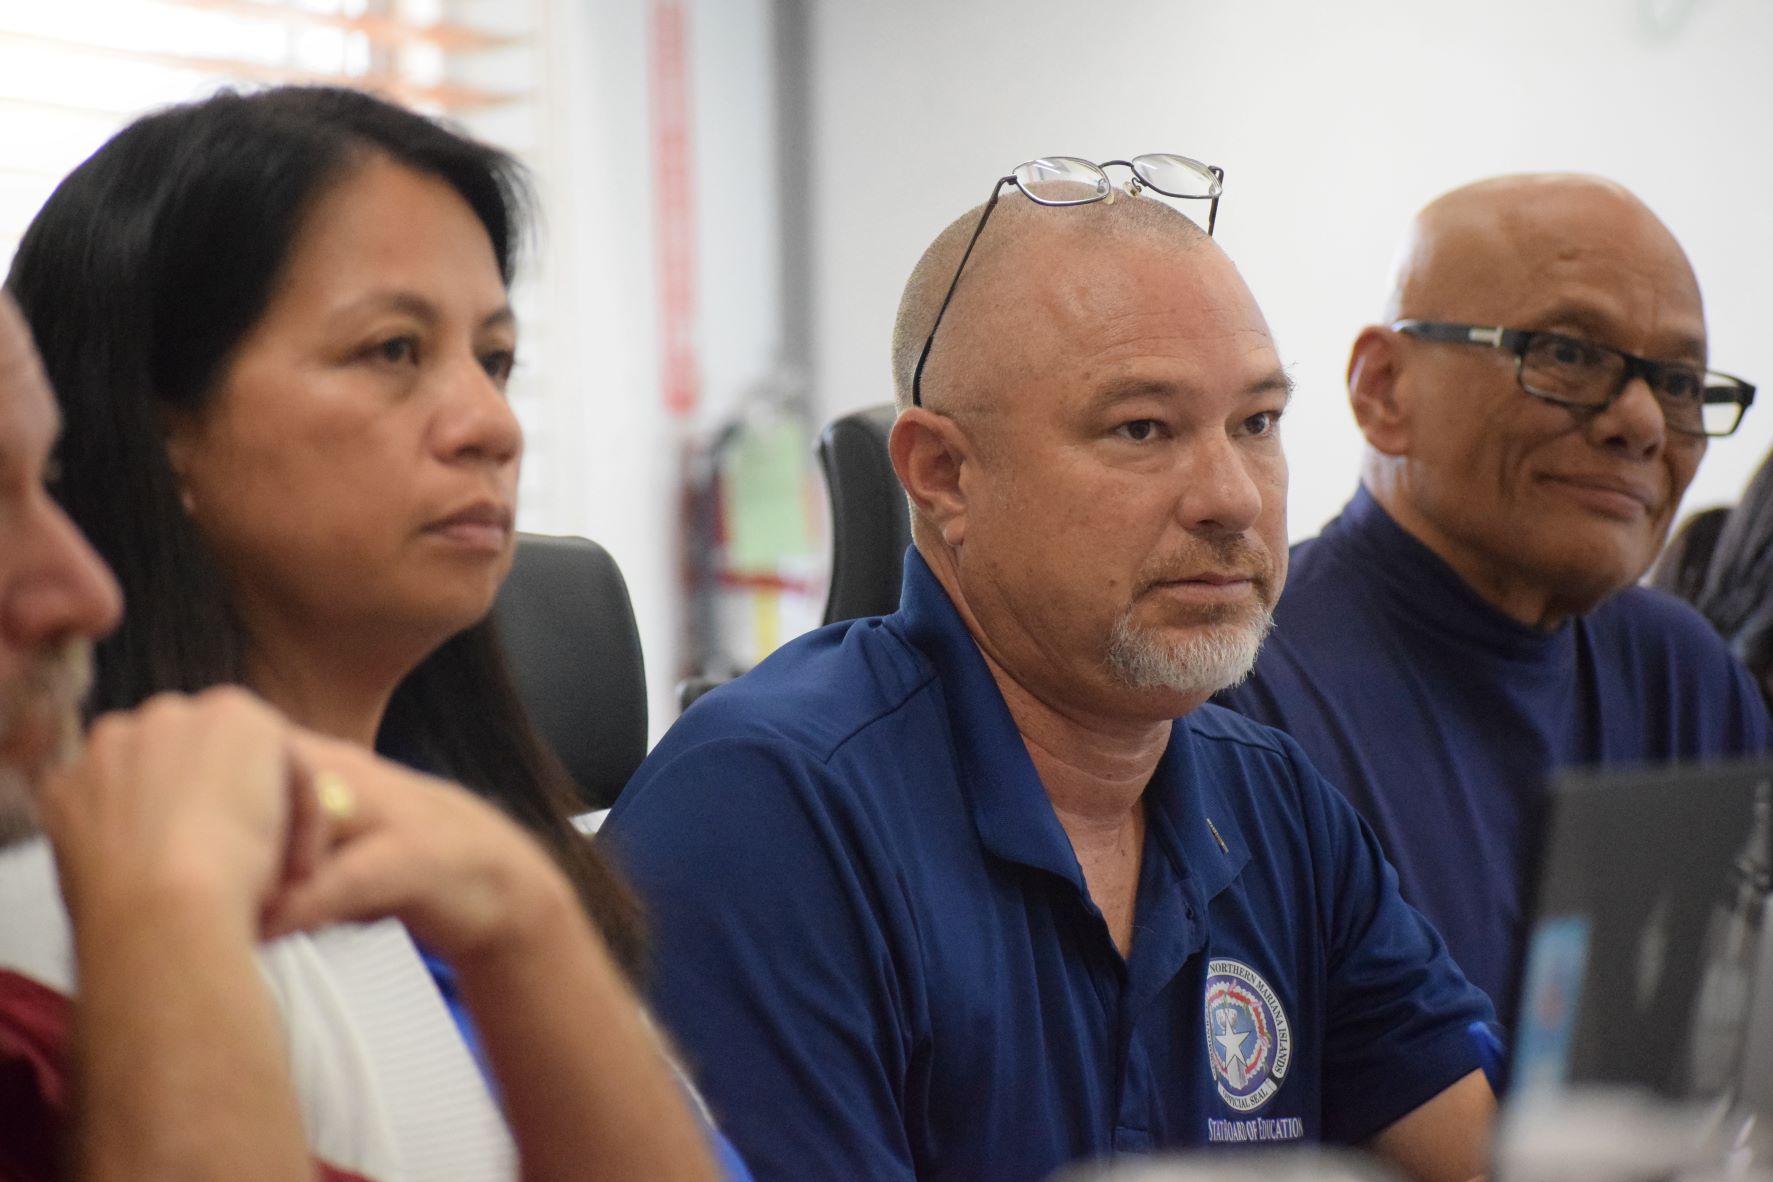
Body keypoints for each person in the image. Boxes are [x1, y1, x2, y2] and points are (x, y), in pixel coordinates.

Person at [607, 163, 1496, 1182]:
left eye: (1256, 424)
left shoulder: (1274, 800)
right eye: (1141, 429)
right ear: (944, 476)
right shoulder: (770, 809)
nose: (1231, 498)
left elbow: (1479, 1157)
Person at [0, 85, 732, 1180]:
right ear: (160, 430)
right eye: (393, 350)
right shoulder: (79, 904)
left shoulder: (488, 857)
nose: (490, 425)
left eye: (494, 360)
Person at [1216, 174, 1769, 1013]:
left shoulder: (1683, 679)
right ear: (1383, 389)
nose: (1642, 423)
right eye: (1569, 355)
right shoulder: (1243, 686)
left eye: (1680, 384)